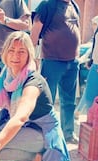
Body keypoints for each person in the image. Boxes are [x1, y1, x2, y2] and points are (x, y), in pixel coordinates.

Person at [0, 31, 76, 161]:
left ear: (29, 55)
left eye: (21, 52)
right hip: (27, 126)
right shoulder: (8, 72)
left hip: (43, 132)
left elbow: (19, 118)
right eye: (11, 51)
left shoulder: (33, 82)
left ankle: (39, 159)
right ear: (5, 53)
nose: (15, 56)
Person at [30, 0, 81, 144]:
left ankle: (68, 133)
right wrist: (31, 56)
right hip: (52, 61)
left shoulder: (74, 5)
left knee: (69, 101)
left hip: (72, 61)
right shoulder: (48, 4)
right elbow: (36, 28)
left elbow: (77, 28)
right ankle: (46, 134)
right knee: (47, 100)